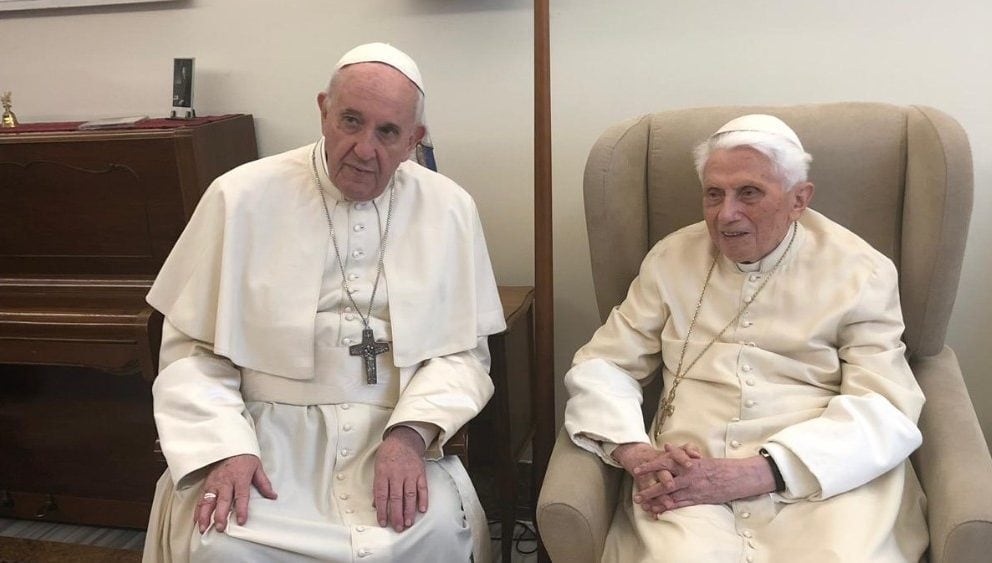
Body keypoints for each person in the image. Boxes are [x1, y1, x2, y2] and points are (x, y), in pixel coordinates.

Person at [142, 42, 505, 562]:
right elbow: (191, 354)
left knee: (435, 532)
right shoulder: (240, 196)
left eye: (387, 132)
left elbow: (463, 354)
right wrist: (225, 448)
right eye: (350, 121)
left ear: (414, 140)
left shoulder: (449, 208)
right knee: (223, 543)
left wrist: (410, 436)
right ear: (323, 111)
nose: (363, 149)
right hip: (264, 433)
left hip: (394, 426)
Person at [563, 114, 929, 562]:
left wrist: (765, 471)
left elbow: (886, 403)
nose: (726, 214)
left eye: (749, 193)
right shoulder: (671, 258)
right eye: (714, 194)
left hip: (821, 475)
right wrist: (636, 453)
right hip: (687, 473)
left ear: (799, 199)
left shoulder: (860, 269)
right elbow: (605, 363)